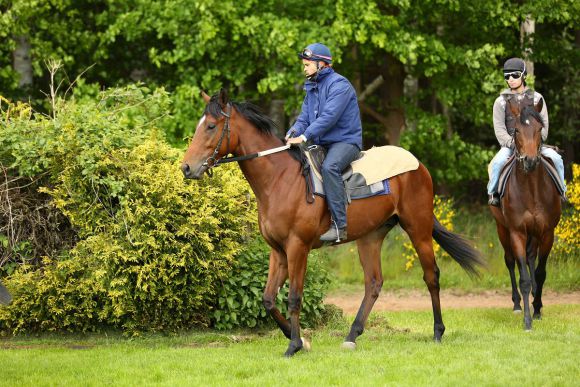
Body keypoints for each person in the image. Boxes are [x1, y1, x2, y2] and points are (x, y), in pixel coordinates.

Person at [286, 43, 363, 242]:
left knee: (330, 168)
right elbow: (303, 119)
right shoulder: (312, 87)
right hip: (323, 144)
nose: (304, 68)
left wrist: (303, 137)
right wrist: (291, 134)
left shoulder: (340, 86)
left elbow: (329, 117)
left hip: (346, 142)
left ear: (321, 64)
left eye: (307, 64)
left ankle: (340, 227)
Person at [487, 57, 566, 207]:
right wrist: (514, 144)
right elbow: (499, 130)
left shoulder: (537, 99)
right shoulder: (500, 102)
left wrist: (534, 143)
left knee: (556, 158)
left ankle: (562, 191)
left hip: (535, 144)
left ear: (523, 75)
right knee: (497, 163)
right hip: (511, 145)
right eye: (507, 76)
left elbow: (544, 126)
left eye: (515, 75)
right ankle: (493, 194)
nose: (510, 79)